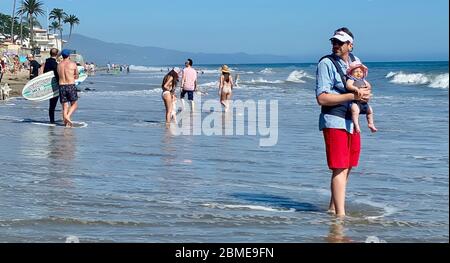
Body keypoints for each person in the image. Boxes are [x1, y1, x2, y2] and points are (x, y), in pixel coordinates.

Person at [315, 27, 371, 217]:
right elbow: (321, 98)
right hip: (334, 120)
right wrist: (351, 95)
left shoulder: (356, 63)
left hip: (352, 121)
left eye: (340, 42)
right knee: (339, 167)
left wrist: (365, 93)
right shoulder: (326, 63)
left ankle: (332, 209)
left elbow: (363, 85)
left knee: (348, 167)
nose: (335, 45)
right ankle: (340, 217)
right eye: (334, 42)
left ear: (350, 45)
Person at [346, 62, 378, 133]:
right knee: (355, 111)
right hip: (355, 102)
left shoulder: (363, 80)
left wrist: (368, 90)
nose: (359, 73)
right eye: (356, 71)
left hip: (364, 102)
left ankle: (371, 124)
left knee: (370, 111)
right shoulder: (351, 79)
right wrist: (356, 89)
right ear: (351, 73)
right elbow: (348, 86)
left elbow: (369, 86)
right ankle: (356, 125)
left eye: (361, 72)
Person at [57, 49, 79, 127]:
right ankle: (67, 116)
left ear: (62, 56)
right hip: (70, 85)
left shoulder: (59, 65)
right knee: (75, 104)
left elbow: (58, 75)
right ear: (69, 55)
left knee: (65, 106)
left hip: (61, 85)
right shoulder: (73, 64)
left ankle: (66, 124)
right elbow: (77, 76)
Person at [43, 48, 60, 124]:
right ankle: (55, 121)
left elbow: (44, 74)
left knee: (51, 104)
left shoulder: (46, 62)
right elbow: (57, 75)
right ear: (56, 54)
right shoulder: (55, 64)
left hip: (47, 85)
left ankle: (51, 120)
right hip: (55, 85)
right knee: (57, 103)